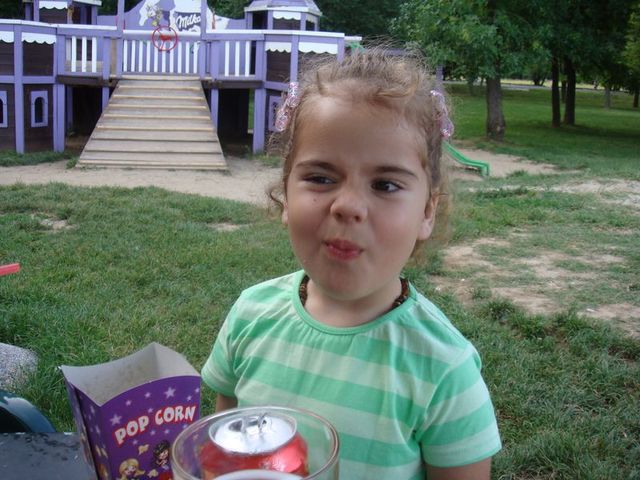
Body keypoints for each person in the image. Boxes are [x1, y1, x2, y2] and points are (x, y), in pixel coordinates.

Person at [201, 48, 501, 479]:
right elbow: (227, 447)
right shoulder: (250, 316)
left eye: (385, 185)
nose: (348, 206)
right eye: (321, 178)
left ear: (427, 212)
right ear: (285, 193)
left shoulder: (443, 369)